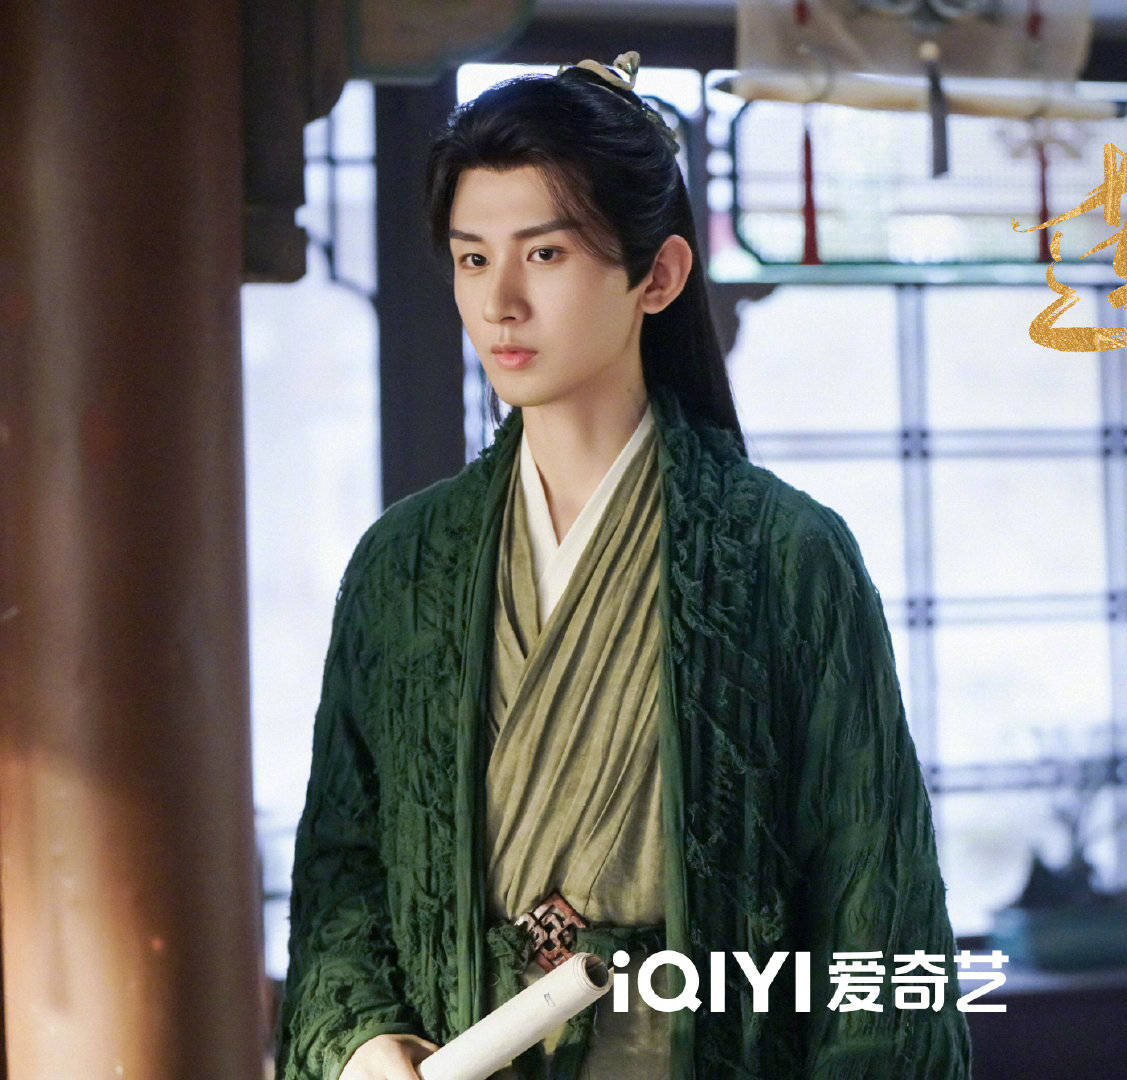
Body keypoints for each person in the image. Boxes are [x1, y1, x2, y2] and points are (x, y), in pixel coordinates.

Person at [273, 51, 971, 1080]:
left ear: (660, 275)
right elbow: (343, 871)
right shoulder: (403, 565)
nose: (501, 302)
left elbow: (876, 907)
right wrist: (365, 1041)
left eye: (546, 254)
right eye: (473, 259)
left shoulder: (785, 556)